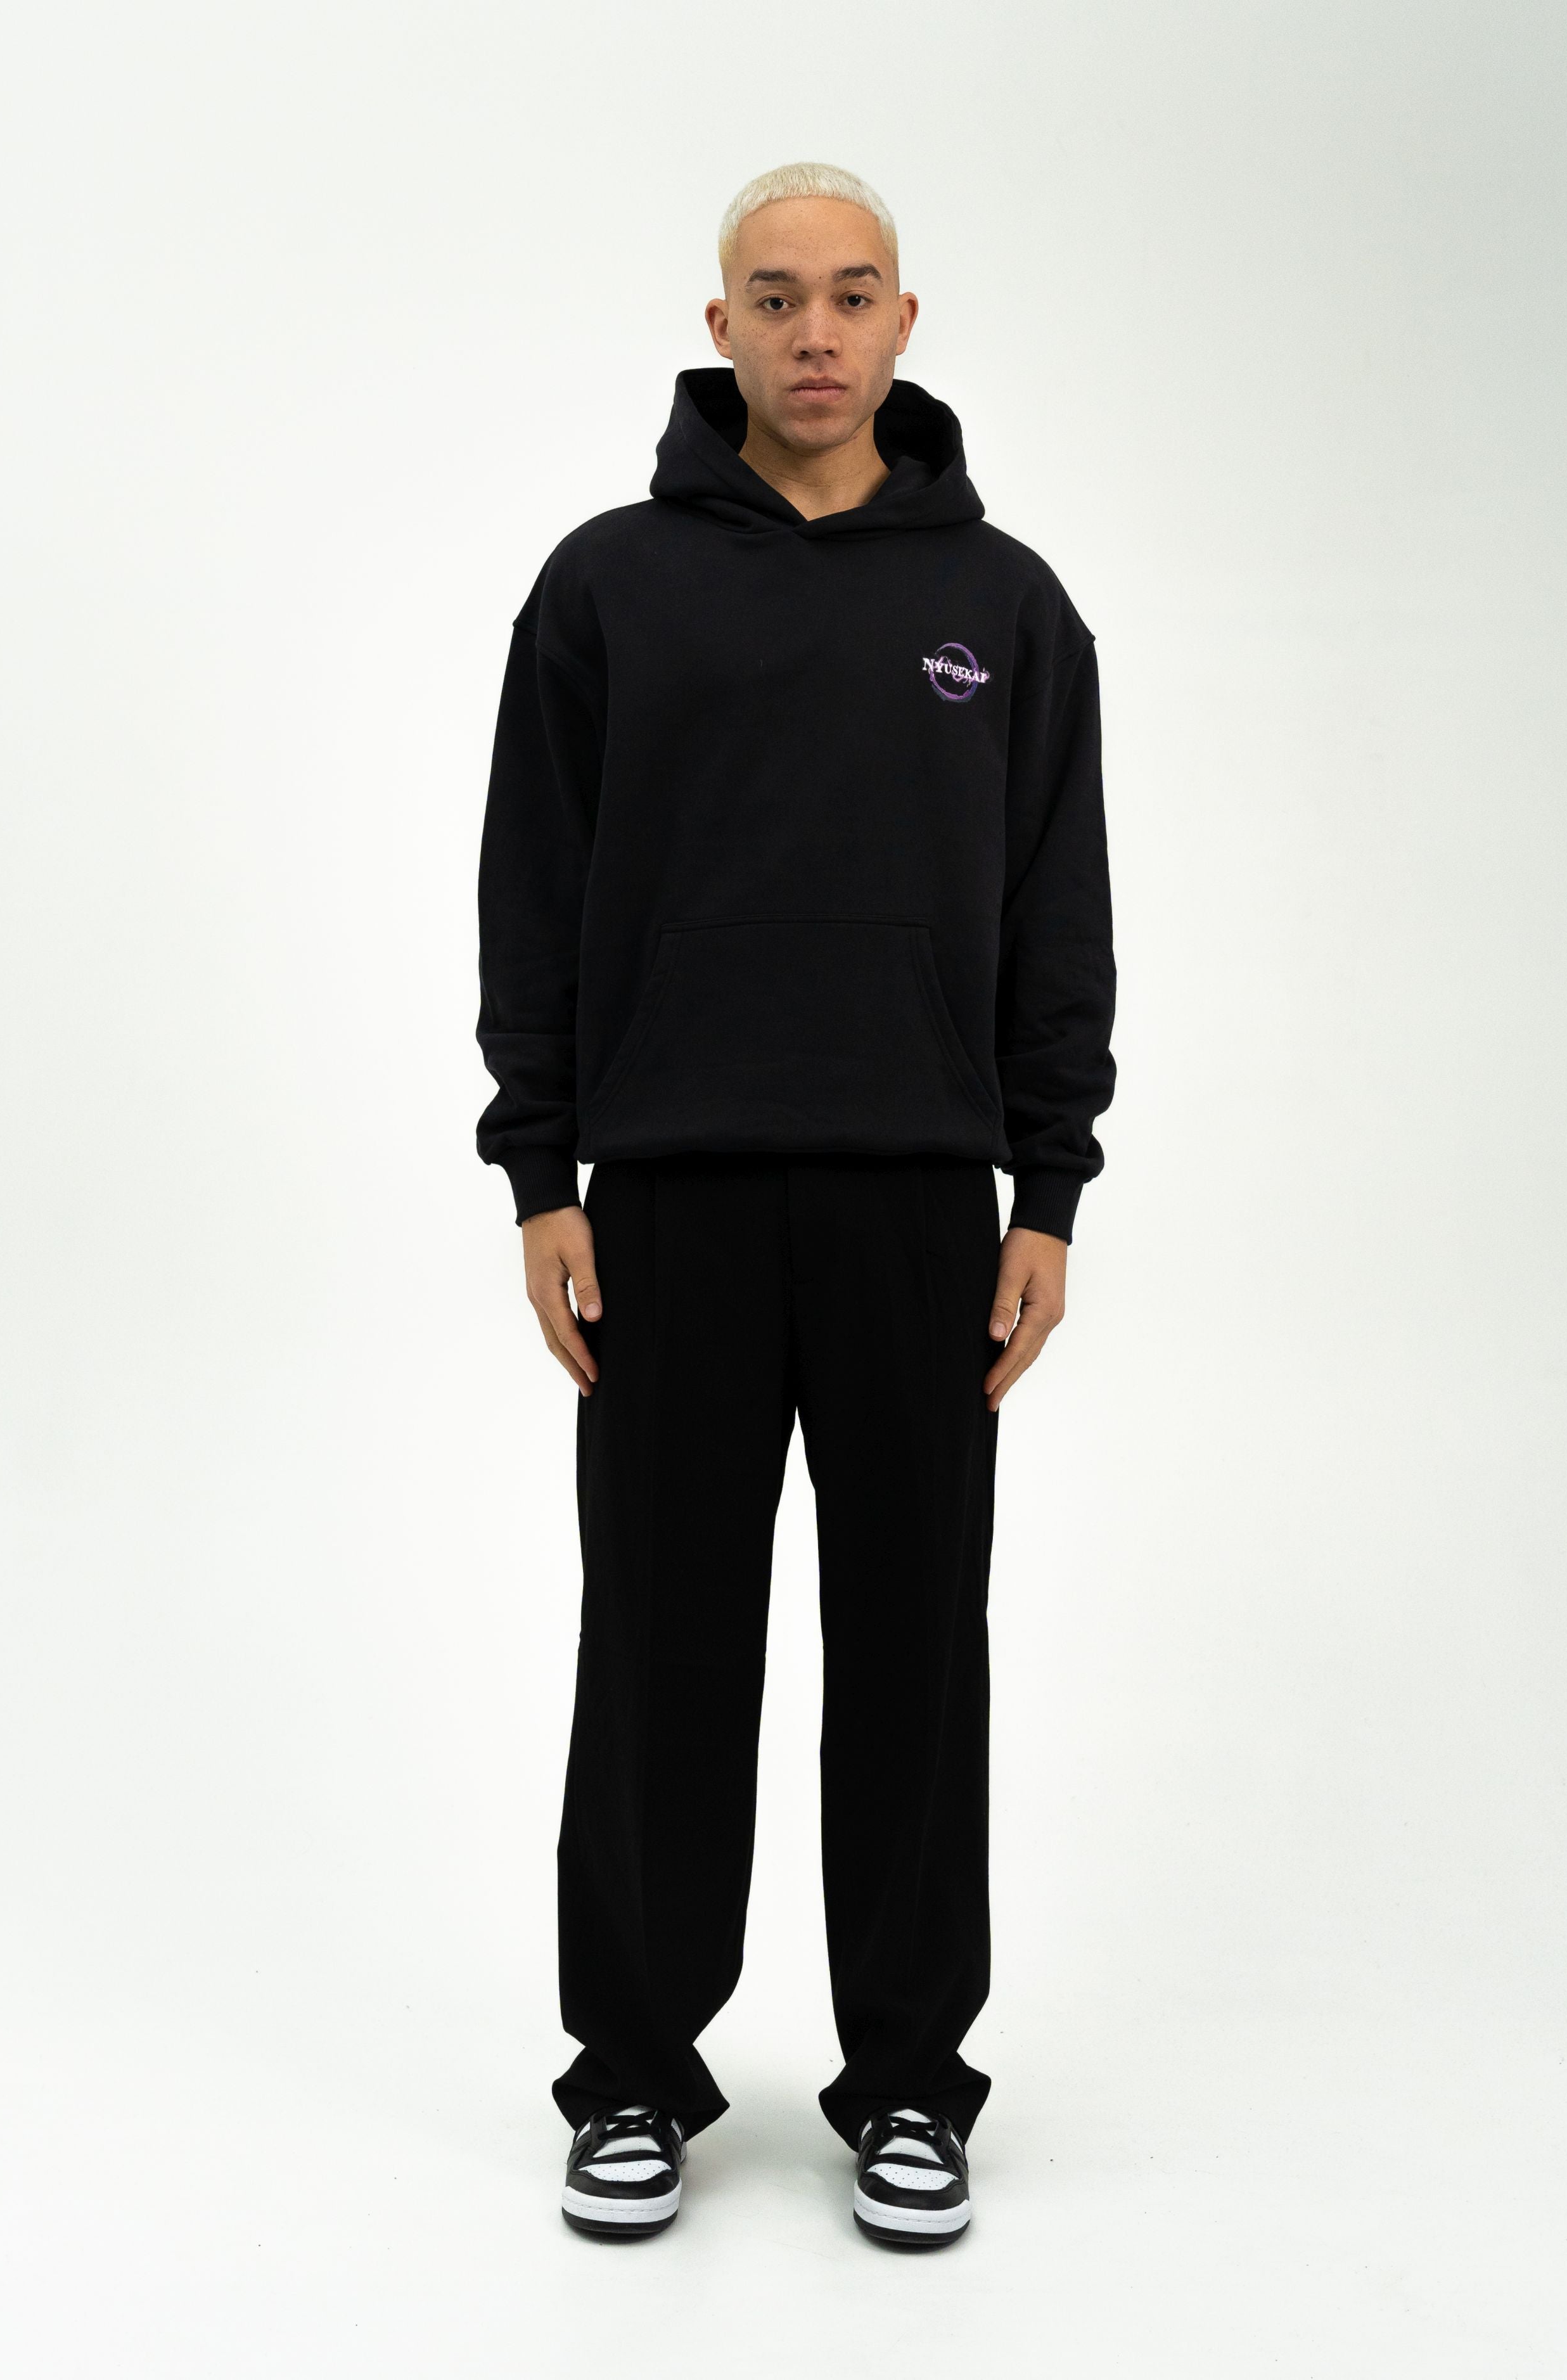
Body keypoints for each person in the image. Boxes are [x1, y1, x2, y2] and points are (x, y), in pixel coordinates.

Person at [474, 160, 1115, 2250]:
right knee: (661, 1638)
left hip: (922, 1203)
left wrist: (1047, 1186)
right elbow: (533, 892)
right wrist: (541, 1172)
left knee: (916, 1643)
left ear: (904, 322)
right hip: (665, 1197)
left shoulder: (1004, 604)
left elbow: (1057, 911)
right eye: (775, 296)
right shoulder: (606, 587)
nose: (814, 331)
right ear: (721, 325)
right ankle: (632, 2071)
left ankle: (910, 2077)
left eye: (850, 295)